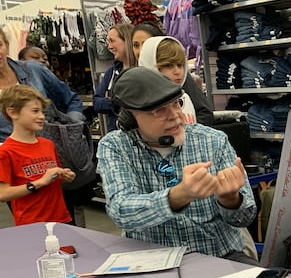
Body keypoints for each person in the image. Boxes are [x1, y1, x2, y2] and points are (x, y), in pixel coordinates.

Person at [96, 67, 257, 263]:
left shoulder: (213, 140)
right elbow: (121, 210)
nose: (175, 115)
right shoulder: (115, 146)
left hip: (219, 256)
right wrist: (179, 195)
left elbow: (246, 217)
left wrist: (230, 199)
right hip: (154, 264)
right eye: (159, 111)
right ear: (129, 118)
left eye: (177, 104)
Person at [0, 85, 75, 225]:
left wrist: (64, 175)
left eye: (42, 112)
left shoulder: (48, 144)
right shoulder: (5, 152)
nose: (41, 116)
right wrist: (39, 182)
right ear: (13, 113)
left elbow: (52, 177)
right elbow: (3, 194)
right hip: (32, 224)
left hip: (62, 219)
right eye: (35, 111)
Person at [0, 29, 85, 143]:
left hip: (50, 151)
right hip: (9, 156)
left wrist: (72, 129)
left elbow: (71, 100)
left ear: (7, 46)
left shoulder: (34, 70)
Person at [132, 21, 214, 126]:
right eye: (135, 45)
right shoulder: (137, 96)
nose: (140, 50)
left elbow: (204, 113)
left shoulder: (184, 96)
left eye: (180, 65)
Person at [138, 36, 199, 124]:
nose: (177, 72)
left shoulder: (185, 98)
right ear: (150, 66)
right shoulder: (142, 105)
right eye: (168, 66)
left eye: (180, 65)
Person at [93, 23, 135, 132]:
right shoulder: (111, 72)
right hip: (116, 135)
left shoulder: (142, 70)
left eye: (112, 41)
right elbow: (97, 103)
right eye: (108, 42)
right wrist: (115, 103)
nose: (109, 46)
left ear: (127, 41)